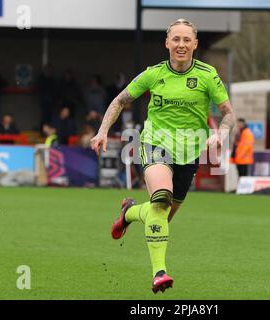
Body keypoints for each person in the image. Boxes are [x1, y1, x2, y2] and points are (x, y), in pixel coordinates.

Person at [90, 18, 235, 294]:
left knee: (160, 216)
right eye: (176, 39)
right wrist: (102, 131)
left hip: (189, 152)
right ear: (167, 43)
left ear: (195, 44)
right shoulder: (153, 74)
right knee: (161, 199)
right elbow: (120, 100)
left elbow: (228, 114)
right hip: (155, 144)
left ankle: (130, 212)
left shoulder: (208, 75)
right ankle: (159, 273)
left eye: (186, 40)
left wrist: (222, 133)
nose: (181, 44)